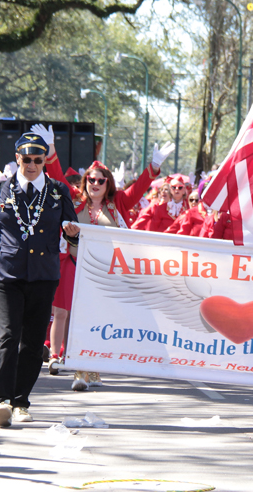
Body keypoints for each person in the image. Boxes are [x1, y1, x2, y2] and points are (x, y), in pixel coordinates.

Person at [0, 131, 81, 427]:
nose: (32, 165)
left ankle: (21, 401)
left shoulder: (58, 190)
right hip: (8, 273)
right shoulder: (2, 189)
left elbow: (74, 232)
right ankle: (1, 400)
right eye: (26, 159)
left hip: (44, 276)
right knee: (8, 336)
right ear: (17, 158)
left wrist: (74, 235)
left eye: (38, 160)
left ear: (45, 161)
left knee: (32, 342)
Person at [45, 130, 171, 390]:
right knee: (61, 312)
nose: (94, 184)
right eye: (90, 179)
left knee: (94, 318)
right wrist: (50, 149)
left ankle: (90, 367)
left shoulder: (118, 203)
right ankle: (57, 357)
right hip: (72, 262)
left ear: (108, 183)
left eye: (100, 181)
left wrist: (153, 167)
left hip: (103, 269)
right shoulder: (75, 199)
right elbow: (56, 176)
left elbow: (137, 190)